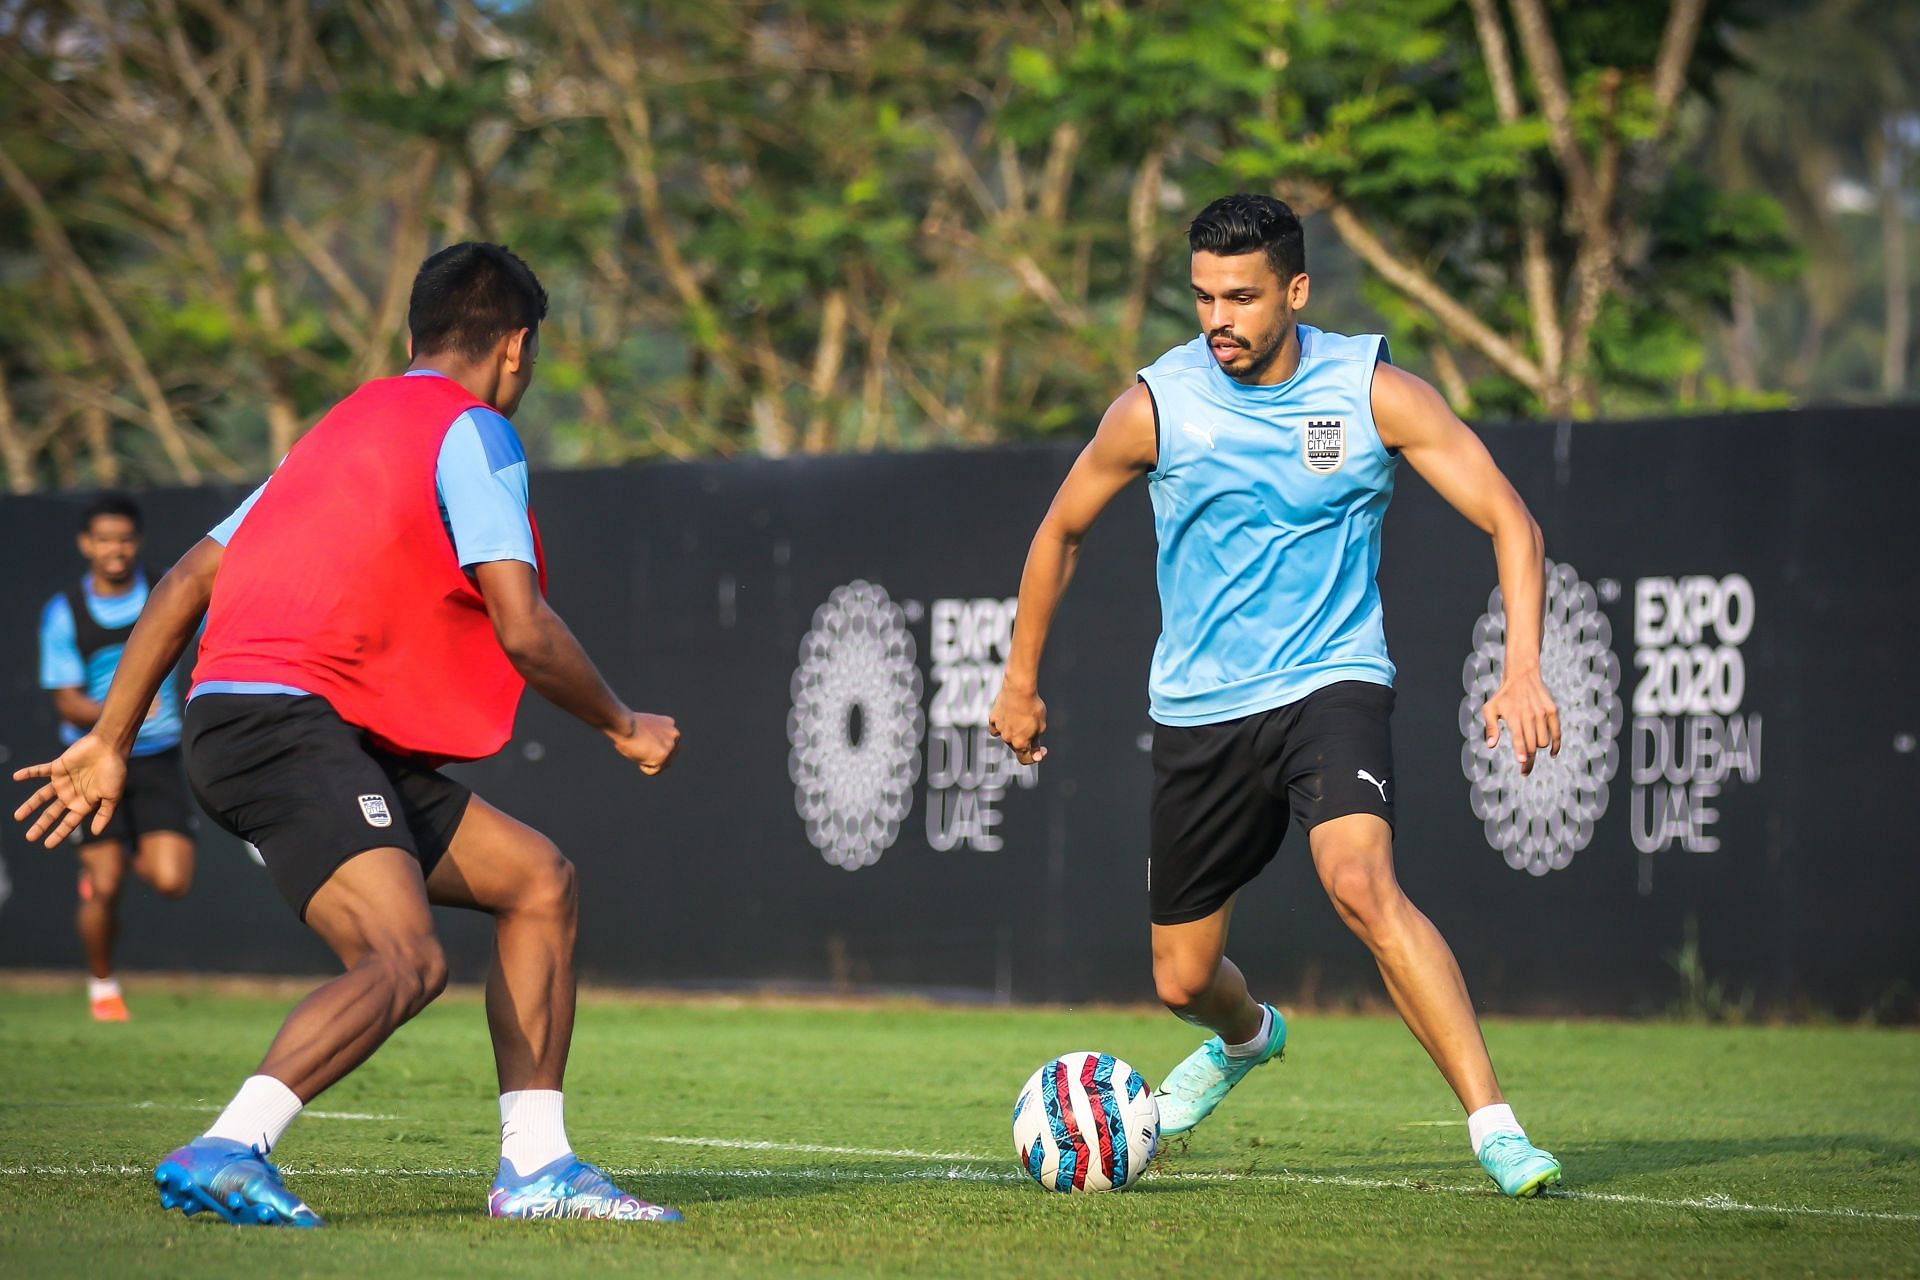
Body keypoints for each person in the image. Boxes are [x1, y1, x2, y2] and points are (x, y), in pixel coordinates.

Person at [12, 243, 684, 1227]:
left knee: (537, 881)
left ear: (414, 336)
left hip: (261, 721)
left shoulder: (338, 428)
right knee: (403, 959)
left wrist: (114, 737)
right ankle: (232, 1144)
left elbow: (185, 581)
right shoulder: (475, 431)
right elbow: (523, 625)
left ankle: (538, 1167)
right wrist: (624, 723)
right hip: (288, 722)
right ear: (515, 347)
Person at [987, 194, 1564, 1198]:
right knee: (1180, 979)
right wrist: (1019, 677)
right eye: (1205, 295)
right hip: (1200, 712)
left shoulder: (1374, 391)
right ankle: (1250, 1035)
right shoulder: (1156, 406)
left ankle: (1495, 1124)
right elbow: (1060, 529)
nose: (1220, 318)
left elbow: (1512, 522)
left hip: (1331, 682)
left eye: (1243, 296)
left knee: (1357, 879)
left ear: (1295, 291)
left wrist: (1523, 667)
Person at [38, 493, 196, 1021]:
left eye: (125, 539)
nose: (116, 549)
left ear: (138, 542)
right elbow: (65, 699)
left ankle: (120, 845)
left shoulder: (166, 591)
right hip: (91, 761)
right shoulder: (65, 612)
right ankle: (103, 987)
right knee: (103, 886)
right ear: (87, 545)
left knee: (172, 880)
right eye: (105, 539)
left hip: (158, 760)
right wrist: (120, 709)